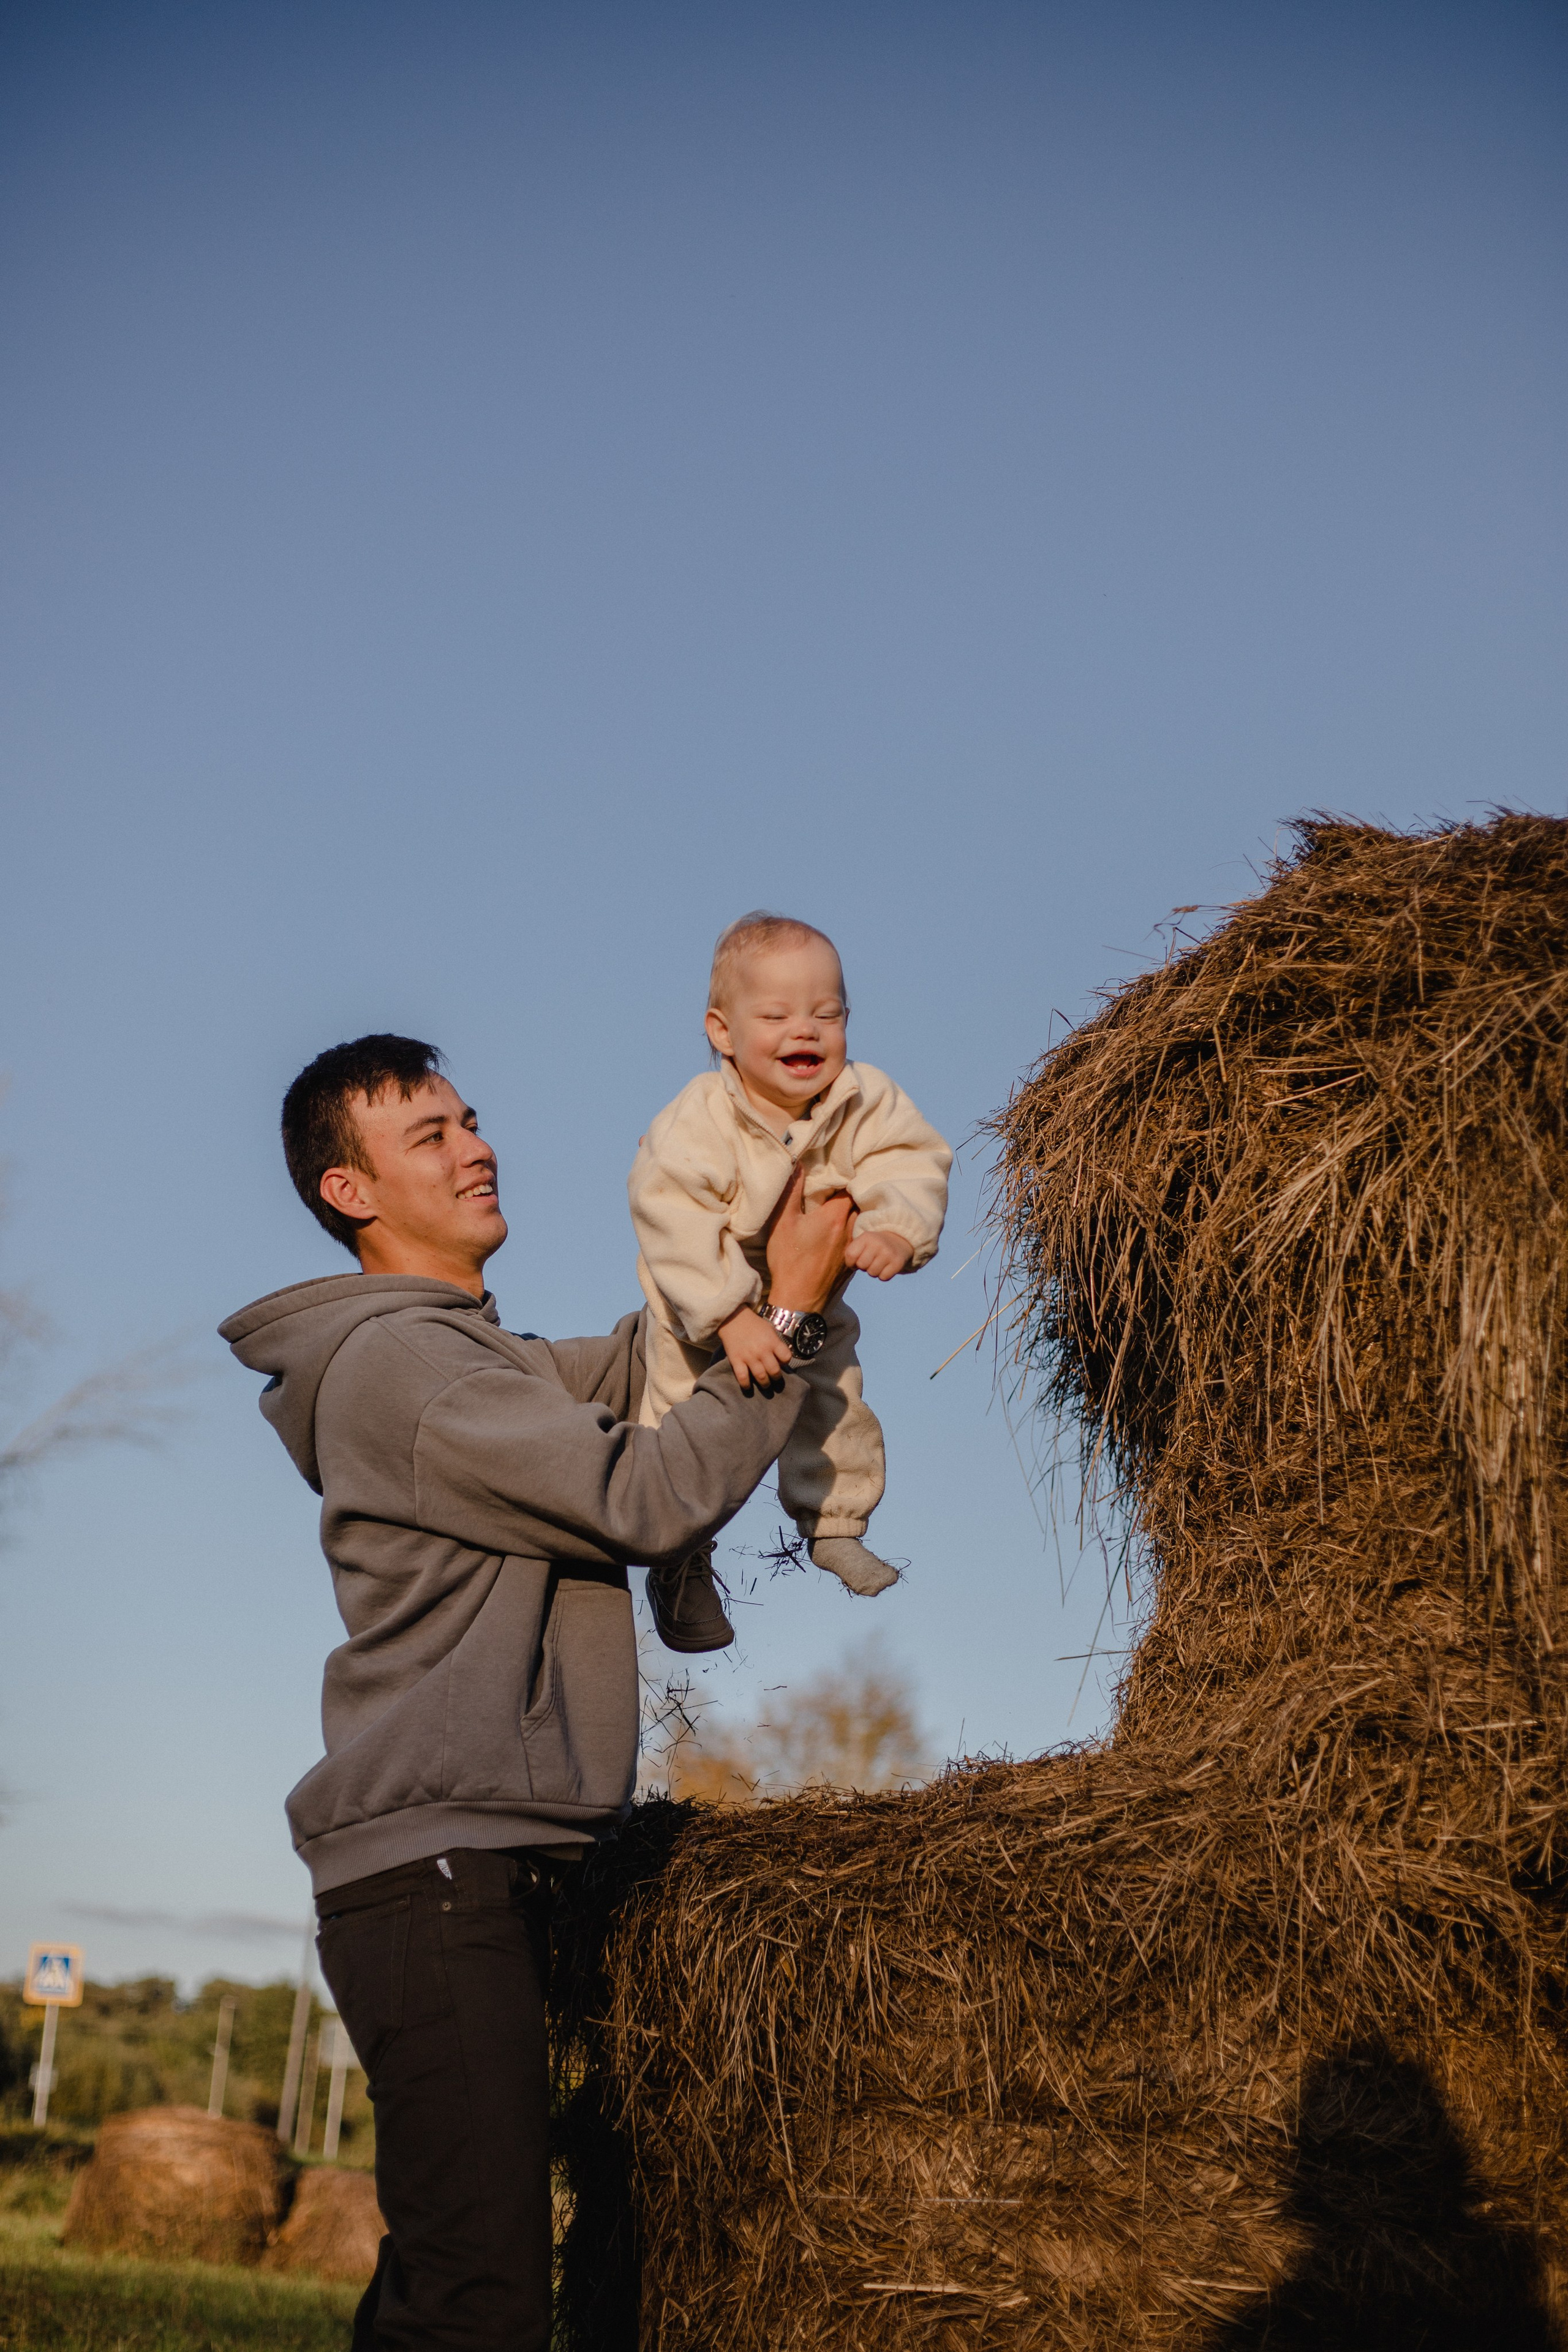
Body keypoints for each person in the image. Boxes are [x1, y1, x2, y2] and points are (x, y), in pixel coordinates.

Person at [218, 1033, 851, 2352]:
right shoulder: (411, 1371)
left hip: (472, 1863)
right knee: (482, 2296)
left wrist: (756, 1240)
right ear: (353, 1193)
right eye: (429, 1136)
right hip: (437, 1871)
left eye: (470, 1118)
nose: (476, 1145)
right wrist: (781, 1318)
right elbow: (644, 1492)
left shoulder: (475, 1358)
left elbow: (640, 1370)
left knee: (455, 2277)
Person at [630, 911, 951, 1649]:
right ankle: (680, 1561)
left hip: (815, 1300)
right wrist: (727, 1317)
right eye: (774, 1015)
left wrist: (898, 1227)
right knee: (676, 1421)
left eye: (826, 1014)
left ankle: (834, 1524)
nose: (802, 1030)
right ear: (722, 1031)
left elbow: (911, 1160)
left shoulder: (865, 1100)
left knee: (833, 1401)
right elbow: (667, 1211)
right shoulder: (701, 1116)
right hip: (698, 1313)